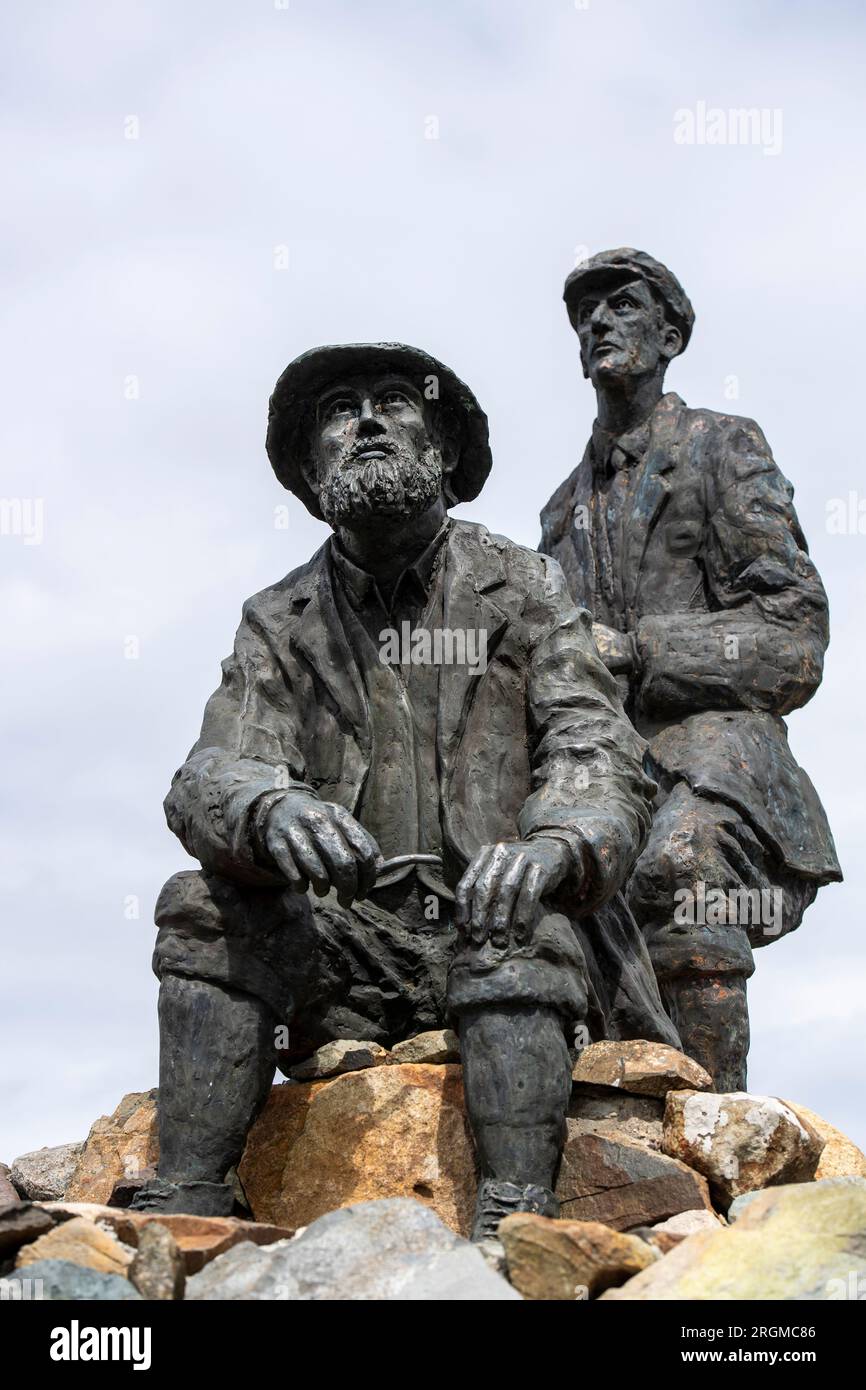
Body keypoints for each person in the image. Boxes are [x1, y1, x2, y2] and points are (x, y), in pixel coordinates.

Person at [133, 340, 677, 1237]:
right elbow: (210, 772)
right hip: (346, 954)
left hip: (494, 932)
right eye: (339, 412)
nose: (370, 422)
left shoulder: (529, 590)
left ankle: (517, 1220)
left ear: (448, 453)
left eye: (396, 399)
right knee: (200, 902)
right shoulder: (277, 620)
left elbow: (598, 749)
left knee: (518, 915)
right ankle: (188, 1207)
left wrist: (554, 848)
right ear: (312, 471)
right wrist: (271, 810)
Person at [539, 250, 841, 1090]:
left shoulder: (721, 447)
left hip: (717, 760)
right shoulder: (559, 511)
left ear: (669, 335)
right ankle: (609, 1119)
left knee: (679, 861)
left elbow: (796, 637)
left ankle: (714, 1128)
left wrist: (640, 652)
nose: (598, 322)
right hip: (609, 774)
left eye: (622, 305)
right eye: (585, 313)